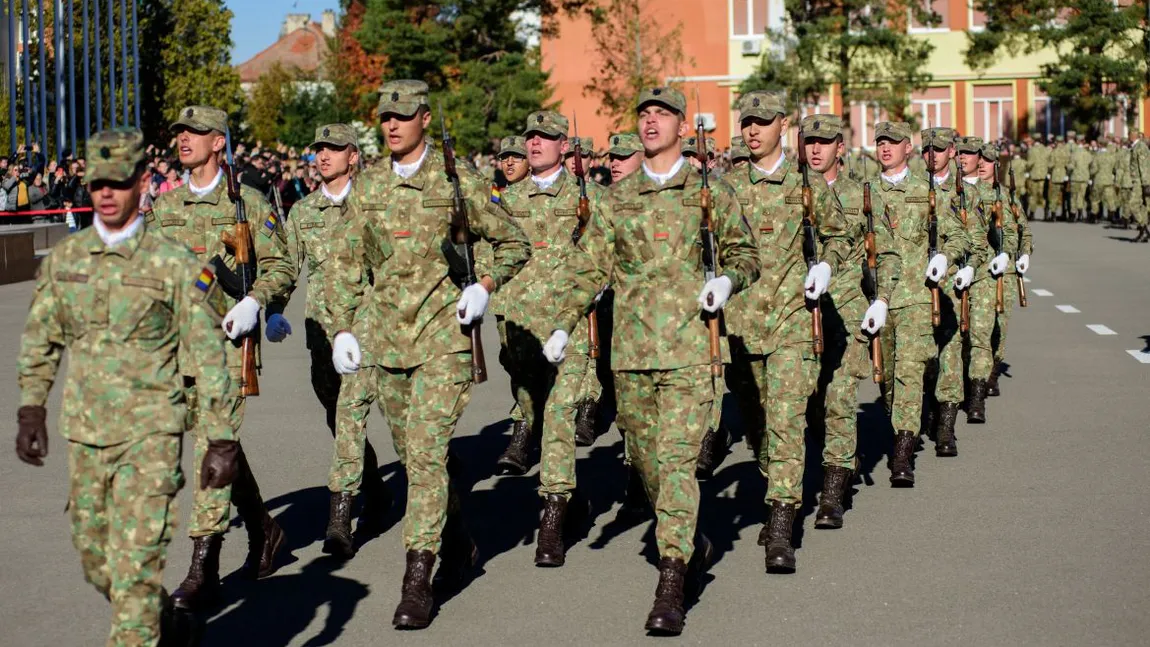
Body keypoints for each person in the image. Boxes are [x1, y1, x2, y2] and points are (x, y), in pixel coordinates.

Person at [546, 86, 759, 634]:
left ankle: (672, 580)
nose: (650, 122)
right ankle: (690, 540)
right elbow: (589, 267)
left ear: (682, 128)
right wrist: (561, 323)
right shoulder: (617, 198)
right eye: (643, 114)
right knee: (648, 465)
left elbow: (745, 253)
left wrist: (727, 280)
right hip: (632, 355)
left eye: (662, 115)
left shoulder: (708, 191)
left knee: (678, 462)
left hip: (692, 351)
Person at [16, 127, 239, 646]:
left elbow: (208, 355)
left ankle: (143, 626)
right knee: (99, 562)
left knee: (135, 570)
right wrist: (32, 409)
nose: (107, 193)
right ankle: (169, 621)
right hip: (87, 435)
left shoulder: (172, 265)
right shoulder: (66, 263)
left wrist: (222, 437)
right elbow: (41, 339)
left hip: (152, 438)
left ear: (141, 182)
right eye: (97, 183)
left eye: (118, 182)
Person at [326, 80, 531, 629]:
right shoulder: (366, 188)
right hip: (387, 343)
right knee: (423, 461)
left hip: (443, 340)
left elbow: (514, 240)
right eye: (384, 117)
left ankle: (419, 575)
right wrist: (342, 328)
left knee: (423, 450)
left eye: (401, 116)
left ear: (423, 118)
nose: (391, 125)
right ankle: (460, 541)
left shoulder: (456, 179)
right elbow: (345, 263)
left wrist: (483, 285)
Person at [150, 105, 297, 611]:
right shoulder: (164, 208)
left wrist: (258, 303)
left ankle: (202, 569)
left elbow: (281, 265)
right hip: (176, 350)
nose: (184, 139)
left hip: (228, 351)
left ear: (218, 142)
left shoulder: (248, 203)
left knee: (213, 449)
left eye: (196, 132)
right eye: (180, 133)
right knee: (221, 446)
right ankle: (265, 529)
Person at [723, 92, 847, 572]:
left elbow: (840, 234)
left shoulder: (806, 183)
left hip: (794, 320)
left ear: (782, 125)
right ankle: (777, 487)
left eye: (762, 122)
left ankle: (781, 522)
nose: (752, 130)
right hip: (742, 324)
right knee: (758, 428)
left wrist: (827, 269)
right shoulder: (727, 186)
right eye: (746, 122)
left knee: (787, 420)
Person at [490, 110, 605, 567]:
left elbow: (607, 247)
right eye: (531, 137)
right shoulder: (505, 200)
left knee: (559, 417)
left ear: (564, 146)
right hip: (518, 325)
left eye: (546, 137)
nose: (535, 143)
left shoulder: (587, 197)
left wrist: (598, 282)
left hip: (566, 325)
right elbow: (487, 248)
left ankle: (552, 516)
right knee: (532, 406)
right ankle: (573, 501)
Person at [277, 123, 391, 559]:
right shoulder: (303, 212)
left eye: (333, 149)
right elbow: (286, 266)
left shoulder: (373, 208)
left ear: (353, 156)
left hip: (367, 331)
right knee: (336, 418)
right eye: (318, 149)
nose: (323, 156)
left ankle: (340, 517)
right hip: (320, 334)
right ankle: (377, 489)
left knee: (348, 416)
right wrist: (272, 309)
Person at [801, 115, 900, 528]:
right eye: (809, 142)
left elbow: (888, 254)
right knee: (806, 406)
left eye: (824, 142)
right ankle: (818, 472)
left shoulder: (862, 194)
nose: (816, 150)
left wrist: (881, 300)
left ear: (840, 148)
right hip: (796, 314)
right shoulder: (792, 192)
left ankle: (833, 493)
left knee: (840, 398)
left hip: (845, 308)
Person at [874, 123, 969, 465]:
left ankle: (903, 451)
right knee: (885, 378)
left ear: (907, 149)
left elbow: (958, 236)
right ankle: (903, 422)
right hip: (879, 301)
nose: (886, 148)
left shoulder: (928, 191)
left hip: (917, 296)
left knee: (909, 372)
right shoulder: (864, 193)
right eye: (881, 143)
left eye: (893, 143)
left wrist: (945, 257)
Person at [952, 135, 998, 424]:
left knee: (980, 336)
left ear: (979, 159)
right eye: (960, 153)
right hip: (952, 274)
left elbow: (1008, 230)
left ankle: (977, 397)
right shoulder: (946, 191)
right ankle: (951, 395)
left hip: (981, 274)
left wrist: (1008, 253)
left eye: (970, 154)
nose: (964, 158)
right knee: (955, 341)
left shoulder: (991, 193)